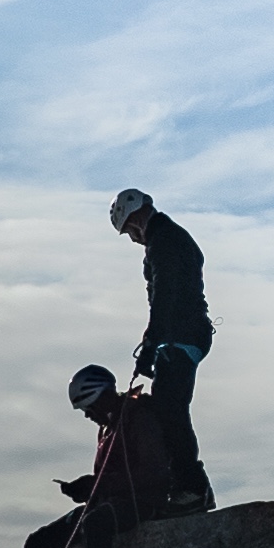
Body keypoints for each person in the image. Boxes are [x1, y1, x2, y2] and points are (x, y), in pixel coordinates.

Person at [109, 187, 214, 511]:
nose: (132, 238)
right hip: (186, 333)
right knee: (170, 408)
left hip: (180, 335)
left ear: (136, 219)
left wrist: (152, 341)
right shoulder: (169, 237)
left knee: (171, 410)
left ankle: (193, 489)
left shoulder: (163, 242)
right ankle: (185, 484)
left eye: (128, 230)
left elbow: (165, 294)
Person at [22, 366, 175, 548]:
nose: (88, 415)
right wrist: (88, 489)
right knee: (38, 540)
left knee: (95, 524)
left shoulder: (139, 418)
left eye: (89, 407)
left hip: (143, 502)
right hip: (110, 501)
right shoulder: (108, 428)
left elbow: (153, 472)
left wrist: (96, 485)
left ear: (102, 398)